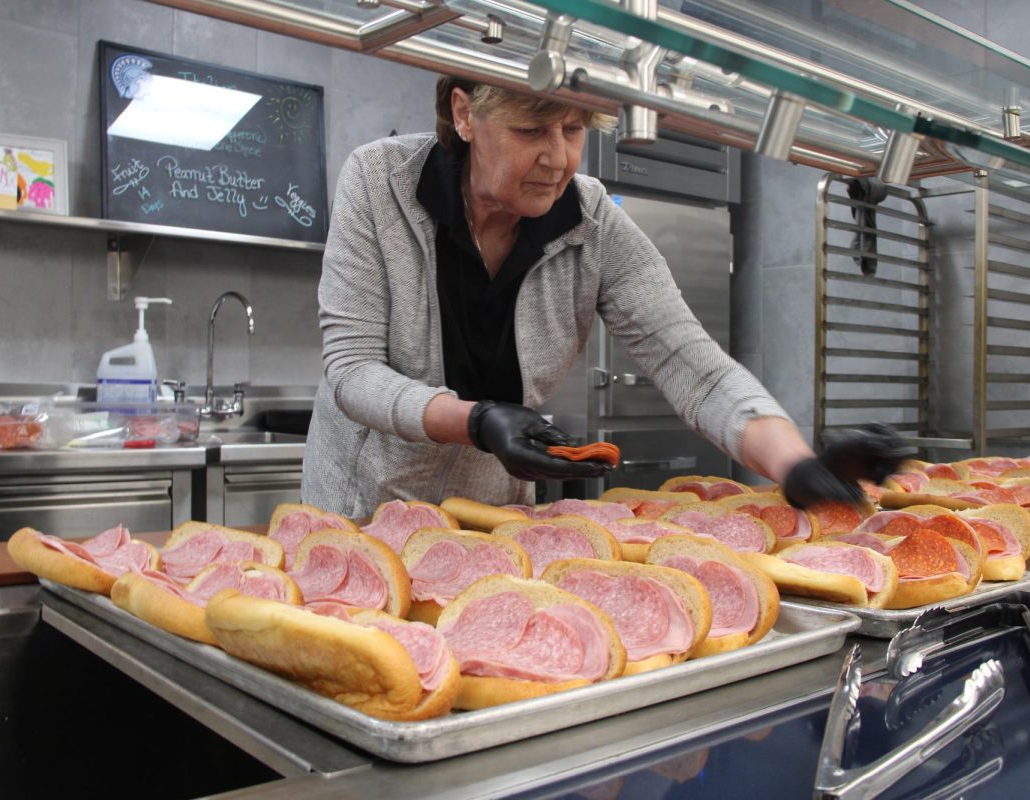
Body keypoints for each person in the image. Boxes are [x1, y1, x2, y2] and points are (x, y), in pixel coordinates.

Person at [302, 76, 908, 518]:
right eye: (531, 130)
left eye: (574, 130)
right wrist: (478, 421)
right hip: (362, 514)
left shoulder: (591, 221)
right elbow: (352, 373)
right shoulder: (380, 183)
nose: (559, 157)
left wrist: (795, 463)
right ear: (464, 114)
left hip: (489, 521)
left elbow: (691, 363)